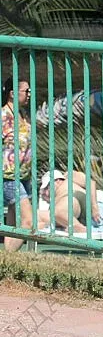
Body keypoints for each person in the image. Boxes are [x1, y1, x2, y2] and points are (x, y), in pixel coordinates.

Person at [1, 78, 33, 251]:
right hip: (9, 175)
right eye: (26, 91)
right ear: (13, 93)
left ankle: (7, 258)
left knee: (12, 225)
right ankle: (9, 260)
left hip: (24, 175)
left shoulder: (23, 114)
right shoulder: (3, 116)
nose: (29, 94)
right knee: (28, 221)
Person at [36, 169, 103, 234]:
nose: (46, 192)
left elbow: (91, 183)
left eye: (47, 187)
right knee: (35, 215)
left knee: (57, 212)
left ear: (57, 180)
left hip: (76, 198)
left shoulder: (68, 176)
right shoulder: (55, 200)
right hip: (68, 213)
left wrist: (94, 206)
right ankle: (73, 226)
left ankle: (78, 227)